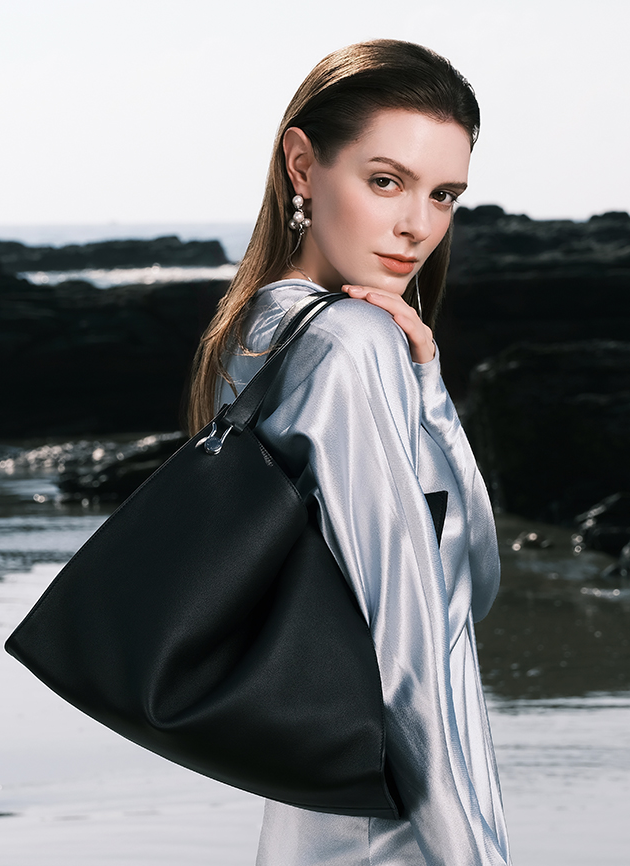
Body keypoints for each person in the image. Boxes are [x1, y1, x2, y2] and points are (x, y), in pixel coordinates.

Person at [185, 40, 507, 866]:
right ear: (303, 165)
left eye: (444, 195)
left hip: (322, 821)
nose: (418, 226)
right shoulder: (349, 342)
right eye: (386, 181)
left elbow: (453, 590)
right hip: (402, 830)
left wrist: (428, 388)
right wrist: (469, 852)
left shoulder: (255, 330)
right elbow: (415, 641)